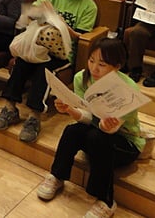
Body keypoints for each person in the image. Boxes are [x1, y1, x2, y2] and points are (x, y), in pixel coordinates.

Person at [36, 38, 145, 218]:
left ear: (117, 66)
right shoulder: (82, 78)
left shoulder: (127, 89)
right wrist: (70, 109)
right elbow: (87, 118)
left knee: (98, 136)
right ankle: (57, 176)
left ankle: (106, 200)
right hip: (97, 134)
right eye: (91, 60)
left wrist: (105, 125)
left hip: (125, 143)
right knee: (72, 131)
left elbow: (111, 130)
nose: (94, 68)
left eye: (102, 64)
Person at [0, 0, 97, 141]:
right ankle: (10, 107)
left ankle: (34, 116)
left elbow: (81, 37)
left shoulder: (89, 5)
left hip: (63, 52)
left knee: (45, 70)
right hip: (39, 45)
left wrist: (63, 25)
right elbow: (29, 14)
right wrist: (39, 14)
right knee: (22, 63)